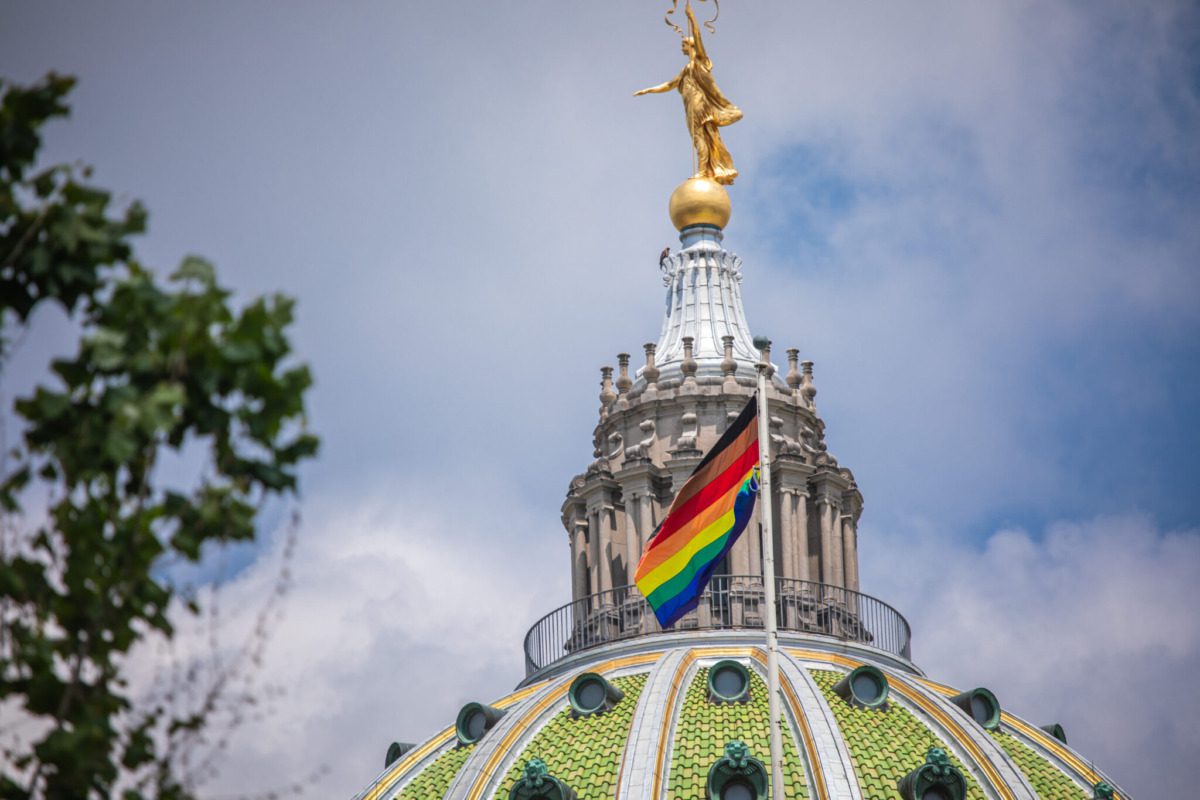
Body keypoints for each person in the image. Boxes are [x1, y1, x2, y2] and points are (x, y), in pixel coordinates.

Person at [635, 2, 743, 185]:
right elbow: (670, 84)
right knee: (700, 139)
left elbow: (698, 36)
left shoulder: (699, 62)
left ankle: (703, 171)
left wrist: (691, 17)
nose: (682, 47)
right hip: (691, 107)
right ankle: (707, 169)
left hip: (699, 105)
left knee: (700, 137)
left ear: (691, 46)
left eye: (684, 44)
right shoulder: (686, 70)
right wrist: (648, 90)